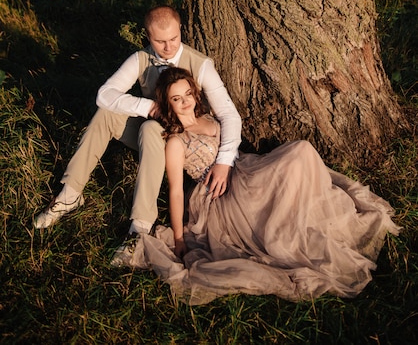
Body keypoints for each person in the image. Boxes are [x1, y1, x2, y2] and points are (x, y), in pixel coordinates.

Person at [124, 67, 400, 305]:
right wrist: (180, 238)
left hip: (245, 168)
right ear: (167, 103)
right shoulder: (175, 141)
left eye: (188, 94)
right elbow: (174, 190)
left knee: (301, 152)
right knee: (294, 166)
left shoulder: (209, 120)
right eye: (176, 98)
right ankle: (284, 237)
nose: (185, 102)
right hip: (222, 195)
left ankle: (308, 219)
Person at [34, 6, 242, 265]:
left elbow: (230, 115)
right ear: (147, 36)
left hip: (184, 140)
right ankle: (70, 194)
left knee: (150, 128)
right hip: (154, 128)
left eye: (173, 39)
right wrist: (147, 107)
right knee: (106, 114)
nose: (168, 47)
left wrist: (224, 160)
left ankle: (140, 227)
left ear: (180, 31)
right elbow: (105, 95)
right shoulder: (141, 59)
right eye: (159, 41)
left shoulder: (201, 64)